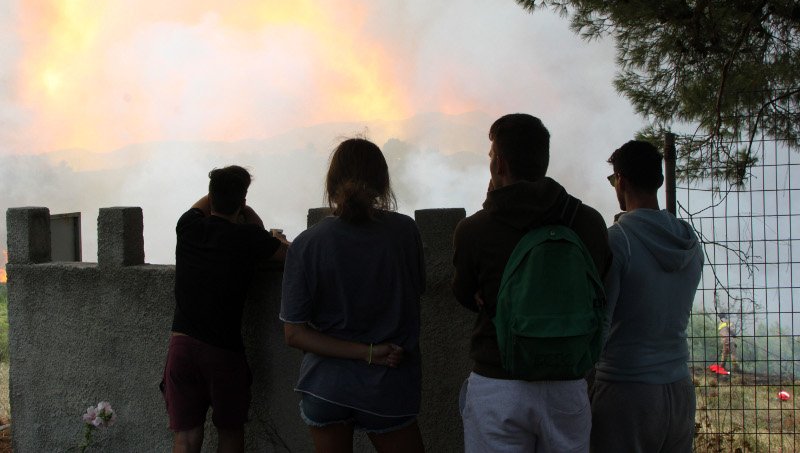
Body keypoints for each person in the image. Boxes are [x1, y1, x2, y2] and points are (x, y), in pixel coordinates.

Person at [452, 113, 611, 452]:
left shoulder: (475, 229)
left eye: (492, 156)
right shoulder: (588, 223)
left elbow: (464, 294)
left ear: (501, 164)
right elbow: (598, 286)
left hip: (498, 383)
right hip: (567, 385)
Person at [280, 138, 426, 453]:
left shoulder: (307, 244)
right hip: (388, 386)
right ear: (383, 183)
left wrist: (364, 351)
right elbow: (416, 291)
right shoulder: (404, 232)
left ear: (331, 184)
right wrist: (373, 353)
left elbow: (293, 333)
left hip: (326, 387)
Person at [161, 165, 290, 453]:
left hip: (181, 347)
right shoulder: (248, 239)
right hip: (223, 352)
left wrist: (221, 193)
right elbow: (289, 255)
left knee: (185, 437)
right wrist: (253, 216)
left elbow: (202, 205)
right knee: (229, 432)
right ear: (242, 201)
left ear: (210, 195)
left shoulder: (188, 227)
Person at [590, 140, 703, 452]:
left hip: (626, 390)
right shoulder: (690, 243)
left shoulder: (618, 241)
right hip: (680, 389)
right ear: (659, 181)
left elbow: (600, 322)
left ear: (621, 181)